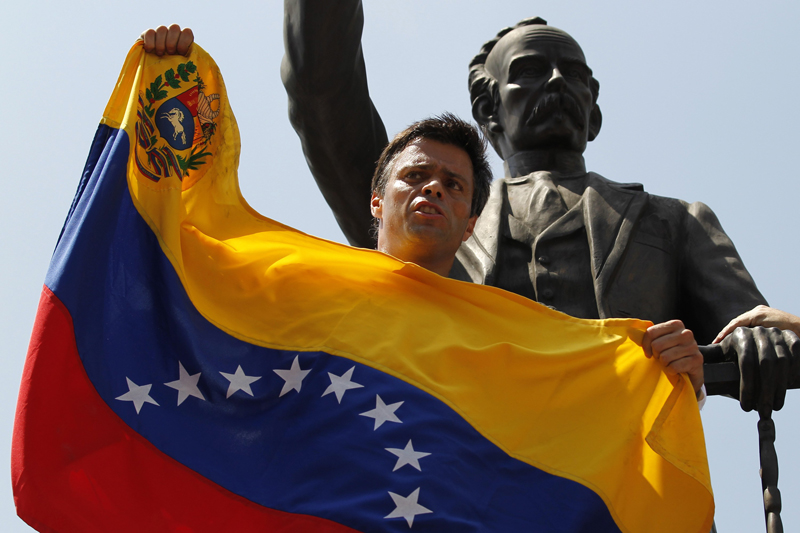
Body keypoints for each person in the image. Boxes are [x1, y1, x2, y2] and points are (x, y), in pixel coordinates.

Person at [140, 24, 707, 397]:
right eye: (530, 71)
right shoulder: (426, 227)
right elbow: (323, 93)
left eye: (575, 75)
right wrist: (172, 84)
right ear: (489, 108)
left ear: (595, 109)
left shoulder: (674, 222)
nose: (557, 83)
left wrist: (740, 346)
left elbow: (765, 334)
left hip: (616, 490)